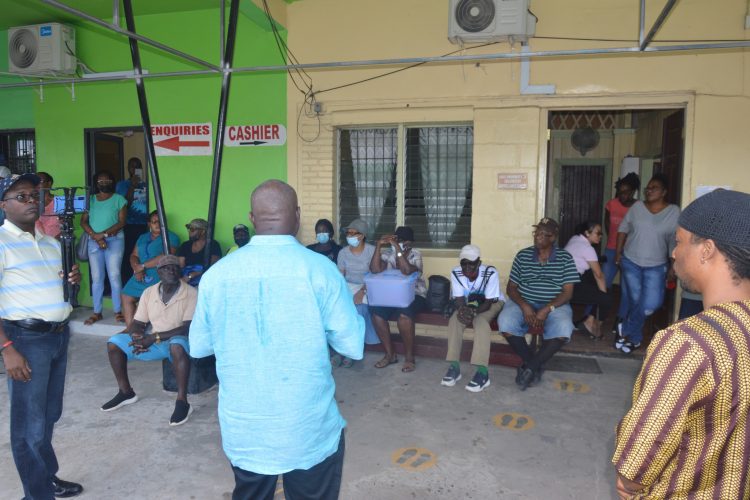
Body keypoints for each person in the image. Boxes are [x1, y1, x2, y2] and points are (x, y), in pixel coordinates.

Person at [189, 180, 364, 499]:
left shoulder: (217, 275)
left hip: (245, 428)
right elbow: (352, 346)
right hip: (307, 427)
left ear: (252, 219)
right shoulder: (321, 271)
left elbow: (199, 347)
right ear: (297, 216)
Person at [612, 188, 750, 499]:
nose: (673, 253)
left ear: (707, 250)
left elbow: (635, 466)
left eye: (679, 242)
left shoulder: (688, 343)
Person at [0, 173, 83, 499]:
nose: (31, 200)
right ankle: (36, 495)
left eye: (34, 195)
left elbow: (61, 287)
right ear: (3, 204)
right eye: (21, 196)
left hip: (58, 338)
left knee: (49, 416)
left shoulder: (51, 243)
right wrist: (7, 348)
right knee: (27, 427)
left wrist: (72, 280)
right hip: (26, 341)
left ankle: (46, 478)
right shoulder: (2, 243)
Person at [101, 255, 198, 426]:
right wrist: (137, 336)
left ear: (179, 271)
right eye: (166, 268)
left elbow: (187, 327)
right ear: (159, 272)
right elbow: (138, 322)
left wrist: (153, 337)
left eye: (175, 267)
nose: (171, 270)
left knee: (176, 345)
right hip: (154, 341)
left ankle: (182, 402)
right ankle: (126, 392)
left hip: (181, 341)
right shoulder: (149, 292)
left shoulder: (191, 293)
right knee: (114, 343)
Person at [498, 217, 580, 391]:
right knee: (505, 322)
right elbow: (511, 288)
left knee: (564, 327)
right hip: (524, 301)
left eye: (544, 234)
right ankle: (534, 365)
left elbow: (568, 292)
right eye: (537, 233)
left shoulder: (565, 258)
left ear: (553, 238)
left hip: (555, 304)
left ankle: (530, 367)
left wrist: (547, 308)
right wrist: (524, 306)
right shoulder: (523, 255)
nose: (538, 237)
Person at [614, 174, 680, 353]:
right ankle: (634, 339)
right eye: (648, 188)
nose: (649, 191)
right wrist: (618, 254)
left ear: (664, 192)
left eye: (654, 188)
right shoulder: (637, 207)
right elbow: (623, 229)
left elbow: (675, 241)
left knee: (651, 304)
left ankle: (625, 328)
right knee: (636, 300)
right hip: (631, 261)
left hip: (657, 265)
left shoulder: (674, 211)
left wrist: (673, 266)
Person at [440, 244, 505, 392]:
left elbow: (488, 303)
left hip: (492, 302)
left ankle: (483, 373)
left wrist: (473, 313)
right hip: (469, 303)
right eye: (464, 263)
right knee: (455, 320)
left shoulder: (490, 272)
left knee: (481, 322)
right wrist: (463, 310)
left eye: (471, 263)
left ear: (479, 263)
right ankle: (454, 367)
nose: (467, 267)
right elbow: (459, 298)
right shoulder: (456, 272)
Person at [369, 226, 427, 373]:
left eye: (402, 241)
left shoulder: (416, 254)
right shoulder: (388, 254)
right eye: (397, 240)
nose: (400, 243)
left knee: (404, 316)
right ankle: (390, 355)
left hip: (415, 295)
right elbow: (375, 270)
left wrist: (398, 250)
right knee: (376, 313)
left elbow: (406, 271)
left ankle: (409, 357)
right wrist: (378, 246)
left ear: (410, 242)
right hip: (392, 296)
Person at [80, 171, 128, 325]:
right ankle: (97, 312)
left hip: (114, 240)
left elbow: (122, 222)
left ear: (112, 182)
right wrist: (95, 235)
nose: (104, 183)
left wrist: (103, 235)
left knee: (114, 276)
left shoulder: (119, 199)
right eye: (100, 181)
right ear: (96, 183)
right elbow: (83, 222)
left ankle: (118, 311)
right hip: (94, 241)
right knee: (97, 278)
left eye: (107, 180)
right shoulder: (91, 200)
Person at [120, 210, 180, 328]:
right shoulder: (143, 237)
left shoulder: (171, 237)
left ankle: (138, 329)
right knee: (126, 295)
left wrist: (141, 267)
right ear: (149, 224)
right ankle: (130, 329)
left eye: (160, 221)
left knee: (148, 299)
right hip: (139, 272)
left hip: (160, 273)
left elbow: (166, 256)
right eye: (154, 222)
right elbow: (134, 255)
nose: (157, 224)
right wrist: (136, 268)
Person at [335, 218, 379, 368]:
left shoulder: (371, 251)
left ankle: (351, 352)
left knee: (359, 309)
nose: (350, 236)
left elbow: (374, 274)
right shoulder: (343, 253)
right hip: (348, 286)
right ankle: (341, 349)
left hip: (368, 286)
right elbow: (340, 276)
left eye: (354, 233)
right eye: (349, 233)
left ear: (362, 235)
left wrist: (362, 292)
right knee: (340, 310)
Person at [602, 173, 640, 332]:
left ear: (633, 191)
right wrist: (613, 241)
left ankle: (620, 320)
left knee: (626, 289)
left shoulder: (639, 207)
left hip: (630, 254)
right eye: (621, 191)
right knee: (602, 284)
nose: (623, 195)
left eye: (627, 191)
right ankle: (593, 317)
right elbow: (607, 225)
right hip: (611, 250)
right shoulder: (611, 204)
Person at [564, 221, 613, 339]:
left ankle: (589, 319)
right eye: (598, 233)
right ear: (587, 233)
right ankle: (593, 324)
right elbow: (599, 275)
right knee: (606, 298)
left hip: (565, 280)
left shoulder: (575, 239)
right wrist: (603, 297)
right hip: (571, 287)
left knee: (599, 286)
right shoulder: (587, 248)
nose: (601, 236)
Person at [116, 157, 149, 284]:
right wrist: (133, 186)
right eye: (132, 166)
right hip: (128, 224)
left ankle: (141, 279)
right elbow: (123, 205)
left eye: (138, 166)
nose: (135, 169)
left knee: (142, 253)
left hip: (144, 225)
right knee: (128, 254)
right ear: (128, 169)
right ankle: (128, 281)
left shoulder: (147, 184)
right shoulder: (122, 185)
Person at [177, 218, 221, 286]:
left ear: (203, 231)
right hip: (186, 282)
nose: (189, 232)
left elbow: (214, 266)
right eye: (188, 228)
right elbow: (180, 265)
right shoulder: (185, 245)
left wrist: (193, 274)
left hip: (205, 282)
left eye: (192, 229)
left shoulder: (213, 244)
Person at [35, 171, 62, 238]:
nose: (37, 184)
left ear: (49, 183)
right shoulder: (31, 202)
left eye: (40, 181)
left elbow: (66, 224)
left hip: (57, 242)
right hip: (36, 242)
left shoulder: (59, 201)